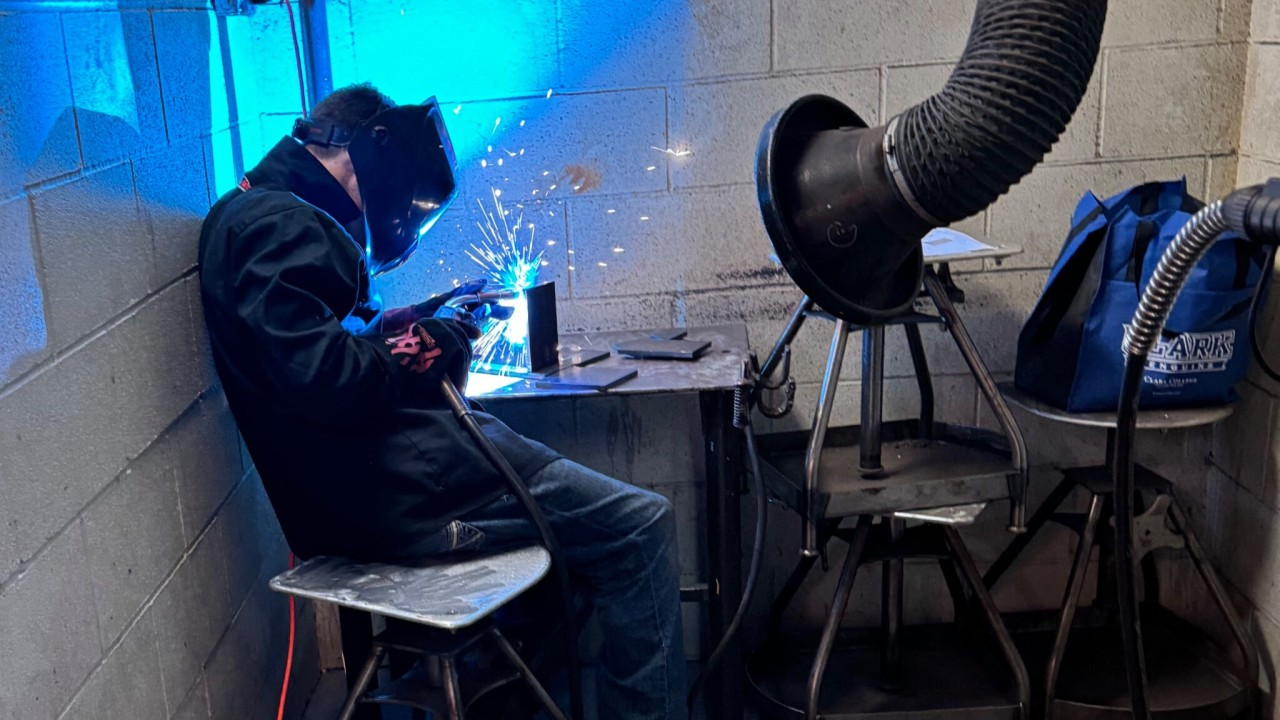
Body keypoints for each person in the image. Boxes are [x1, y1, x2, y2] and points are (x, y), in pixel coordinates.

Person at [198, 83, 687, 719]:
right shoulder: (275, 226)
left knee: (568, 568)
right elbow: (328, 378)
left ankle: (507, 697)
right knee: (639, 527)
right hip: (401, 495)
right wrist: (443, 337)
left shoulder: (254, 213)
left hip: (390, 477)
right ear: (352, 154)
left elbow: (324, 342)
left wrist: (420, 316)